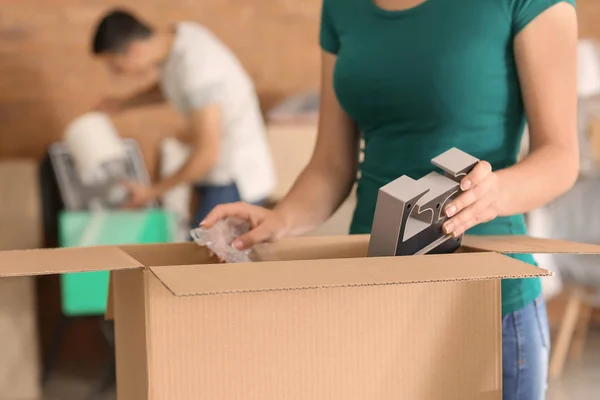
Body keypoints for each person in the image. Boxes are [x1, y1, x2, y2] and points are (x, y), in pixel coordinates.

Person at [202, 1, 578, 399]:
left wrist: (495, 193)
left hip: (485, 301)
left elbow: (560, 157)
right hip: (372, 292)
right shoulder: (342, 8)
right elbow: (331, 165)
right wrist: (280, 220)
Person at [90, 9, 275, 227]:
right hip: (216, 172)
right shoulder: (179, 39)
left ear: (134, 50)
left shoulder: (197, 68)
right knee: (197, 248)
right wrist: (122, 103)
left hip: (233, 177)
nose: (116, 73)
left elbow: (207, 153)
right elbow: (172, 86)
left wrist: (151, 192)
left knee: (202, 255)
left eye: (115, 65)